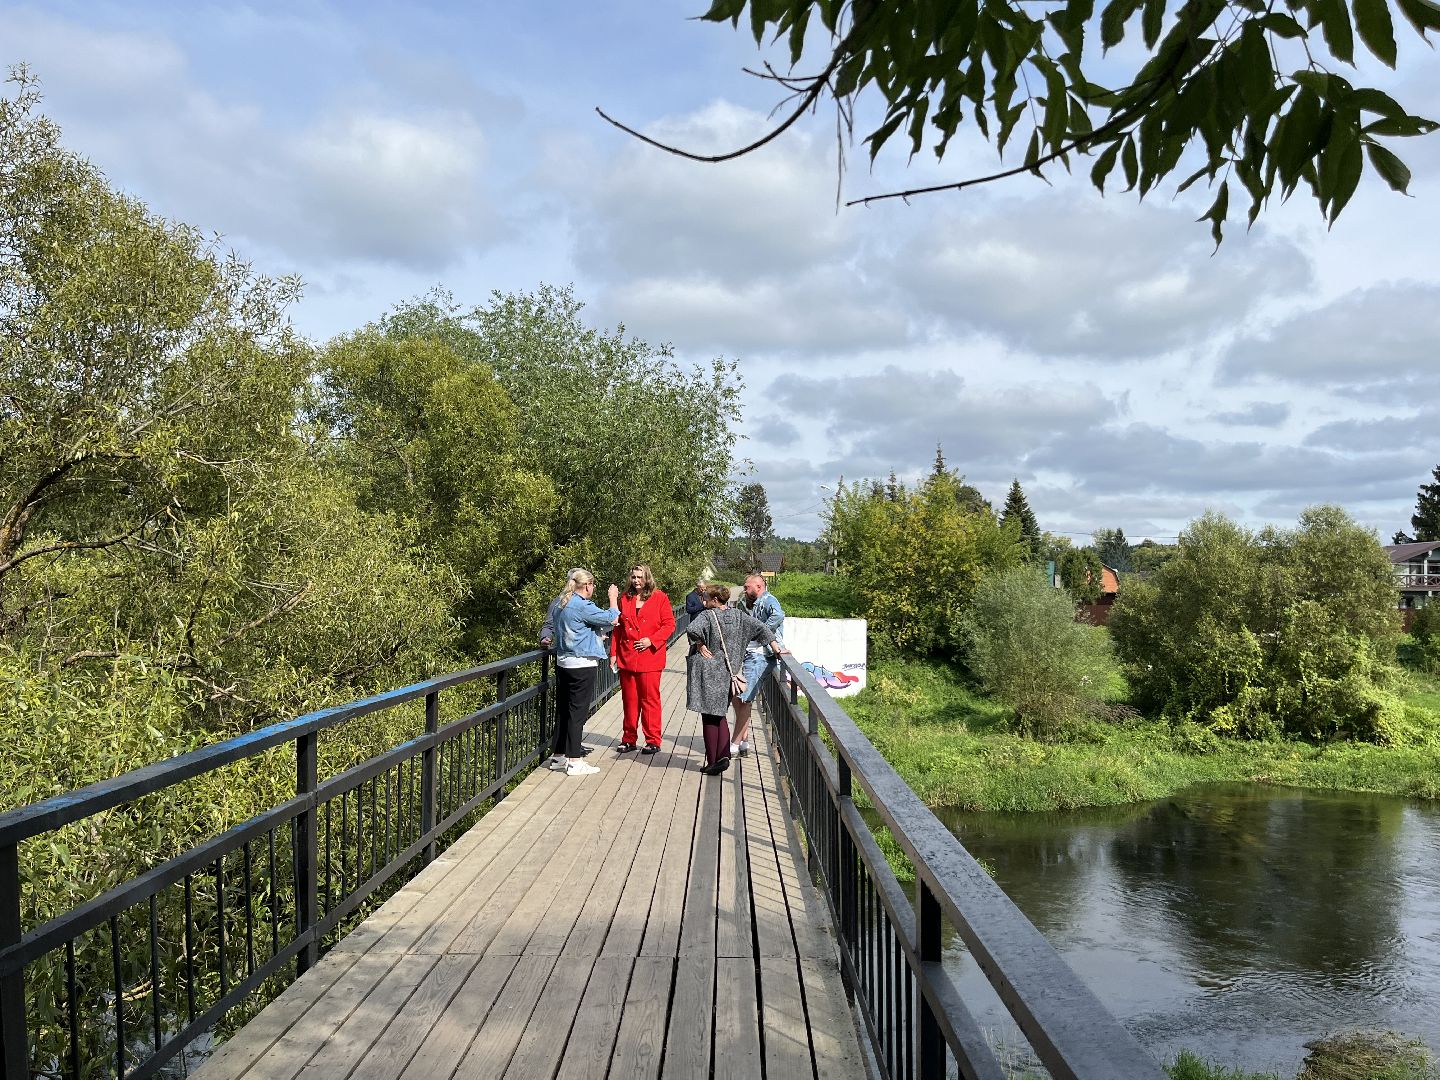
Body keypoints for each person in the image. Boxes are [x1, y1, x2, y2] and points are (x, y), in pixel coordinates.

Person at [686, 583, 786, 775]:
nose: (703, 601)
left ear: (715, 600)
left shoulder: (707, 615)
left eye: (706, 598)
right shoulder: (739, 616)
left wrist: (699, 643)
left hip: (708, 671)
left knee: (709, 716)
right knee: (720, 714)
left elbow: (692, 629)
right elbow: (762, 629)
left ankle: (713, 761)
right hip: (729, 672)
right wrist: (776, 648)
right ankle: (724, 755)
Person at [539, 568, 619, 776]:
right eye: (592, 585)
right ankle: (575, 761)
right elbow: (611, 618)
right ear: (587, 586)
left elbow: (575, 629)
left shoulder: (561, 603)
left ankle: (558, 756)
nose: (593, 588)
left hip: (564, 662)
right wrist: (613, 598)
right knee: (577, 713)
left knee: (564, 710)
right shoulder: (582, 605)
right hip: (582, 664)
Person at [611, 563, 675, 754]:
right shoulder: (625, 598)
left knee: (650, 700)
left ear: (647, 578)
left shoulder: (660, 597)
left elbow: (669, 624)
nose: (636, 580)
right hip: (627, 656)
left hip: (650, 657)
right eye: (633, 577)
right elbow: (618, 628)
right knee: (629, 700)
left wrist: (652, 640)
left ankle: (653, 740)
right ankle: (629, 739)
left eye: (640, 577)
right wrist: (613, 653)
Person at [732, 572, 785, 756]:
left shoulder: (769, 600)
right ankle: (744, 740)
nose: (744, 590)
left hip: (761, 655)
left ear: (759, 587)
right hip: (749, 654)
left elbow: (779, 616)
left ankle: (735, 744)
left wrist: (761, 632)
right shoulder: (751, 602)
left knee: (744, 698)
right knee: (736, 695)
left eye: (747, 587)